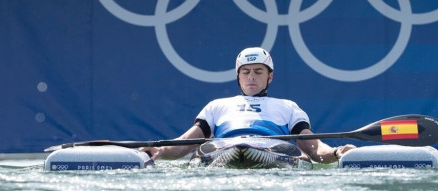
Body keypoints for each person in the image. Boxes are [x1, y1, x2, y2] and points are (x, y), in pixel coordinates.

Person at [141, 47, 356, 163]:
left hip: (274, 151)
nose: (251, 77)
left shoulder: (288, 107)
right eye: (246, 72)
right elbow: (185, 144)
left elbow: (315, 148)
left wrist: (338, 152)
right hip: (223, 150)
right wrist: (157, 150)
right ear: (238, 76)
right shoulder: (217, 106)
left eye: (258, 71)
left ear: (270, 77)